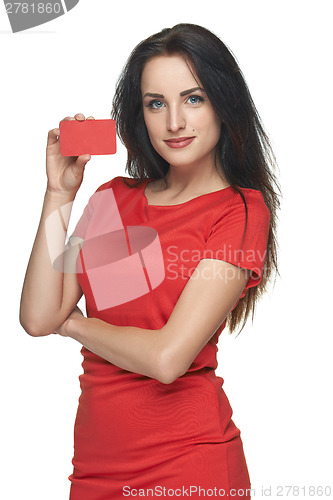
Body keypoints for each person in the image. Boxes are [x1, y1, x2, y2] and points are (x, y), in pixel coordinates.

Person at [20, 23, 280, 500]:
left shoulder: (240, 212)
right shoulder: (112, 199)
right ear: (139, 115)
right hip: (95, 468)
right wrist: (59, 193)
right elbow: (38, 317)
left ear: (224, 103)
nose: (174, 122)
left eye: (193, 98)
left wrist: (75, 327)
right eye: (155, 103)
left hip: (190, 468)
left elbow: (166, 359)